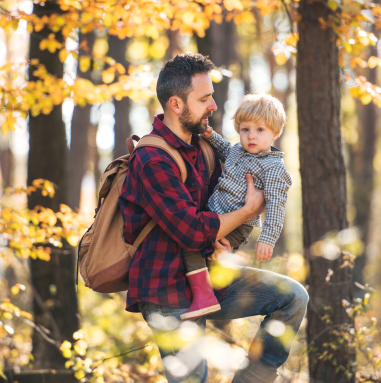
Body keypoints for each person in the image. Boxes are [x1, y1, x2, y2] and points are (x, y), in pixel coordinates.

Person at [119, 53, 308, 383]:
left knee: (292, 297)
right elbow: (193, 232)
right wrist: (249, 210)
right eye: (205, 98)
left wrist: (231, 244)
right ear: (176, 105)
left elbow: (225, 210)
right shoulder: (152, 159)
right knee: (194, 379)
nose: (213, 106)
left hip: (209, 275)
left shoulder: (202, 148)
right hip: (165, 288)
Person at [178, 93, 292, 321]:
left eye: (260, 130)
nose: (251, 136)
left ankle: (205, 296)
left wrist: (268, 239)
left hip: (237, 224)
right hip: (214, 213)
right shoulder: (239, 151)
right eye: (245, 129)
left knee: (196, 246)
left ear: (275, 133)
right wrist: (210, 136)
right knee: (196, 247)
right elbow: (225, 151)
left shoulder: (273, 167)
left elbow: (276, 205)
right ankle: (204, 291)